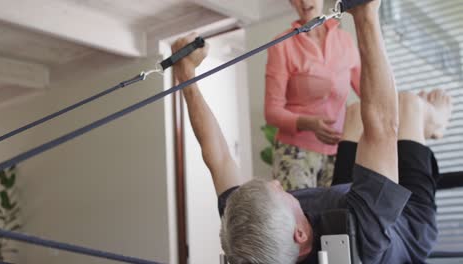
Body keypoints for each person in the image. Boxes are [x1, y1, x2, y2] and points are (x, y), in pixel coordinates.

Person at [171, 0, 453, 262]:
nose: (276, 183)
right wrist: (367, 16)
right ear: (300, 234)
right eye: (279, 192)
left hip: (342, 203)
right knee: (408, 106)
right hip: (409, 224)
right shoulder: (366, 234)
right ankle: (435, 121)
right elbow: (383, 123)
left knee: (354, 114)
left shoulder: (250, 232)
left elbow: (217, 156)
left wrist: (186, 76)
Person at [265, 0, 362, 190]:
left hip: (339, 152)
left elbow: (368, 93)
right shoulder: (282, 44)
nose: (305, 1)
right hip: (295, 153)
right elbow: (271, 111)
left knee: (335, 217)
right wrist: (309, 123)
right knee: (300, 218)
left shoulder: (345, 40)